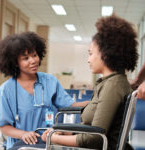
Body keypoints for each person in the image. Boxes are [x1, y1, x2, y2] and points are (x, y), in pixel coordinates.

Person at [40, 15, 138, 150]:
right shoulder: (111, 83)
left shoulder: (112, 86)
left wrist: (53, 137)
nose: (88, 60)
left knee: (22, 146)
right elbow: (94, 130)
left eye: (91, 53)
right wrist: (65, 132)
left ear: (106, 54)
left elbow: (95, 138)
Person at [0, 32, 89, 150]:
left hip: (49, 143)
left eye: (34, 55)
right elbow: (4, 126)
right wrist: (23, 134)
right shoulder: (6, 91)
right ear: (15, 63)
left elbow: (73, 105)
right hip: (20, 146)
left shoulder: (49, 81)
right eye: (26, 58)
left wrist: (97, 101)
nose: (33, 60)